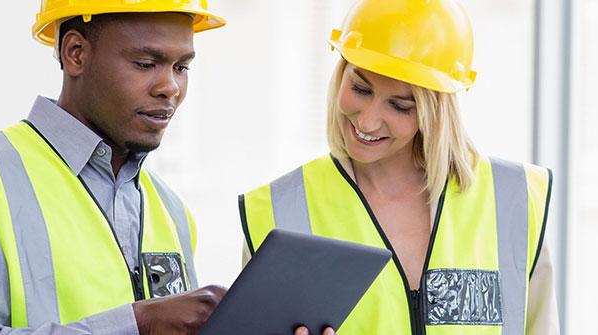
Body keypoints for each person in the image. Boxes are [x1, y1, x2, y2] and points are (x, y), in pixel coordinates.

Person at [0, 1, 332, 334]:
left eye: (181, 66)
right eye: (146, 63)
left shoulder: (168, 208)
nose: (170, 86)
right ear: (75, 53)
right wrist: (140, 323)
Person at [238, 0, 559, 334]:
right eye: (360, 88)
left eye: (400, 106)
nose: (367, 121)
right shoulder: (276, 212)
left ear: (436, 111)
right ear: (341, 71)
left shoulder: (515, 201)